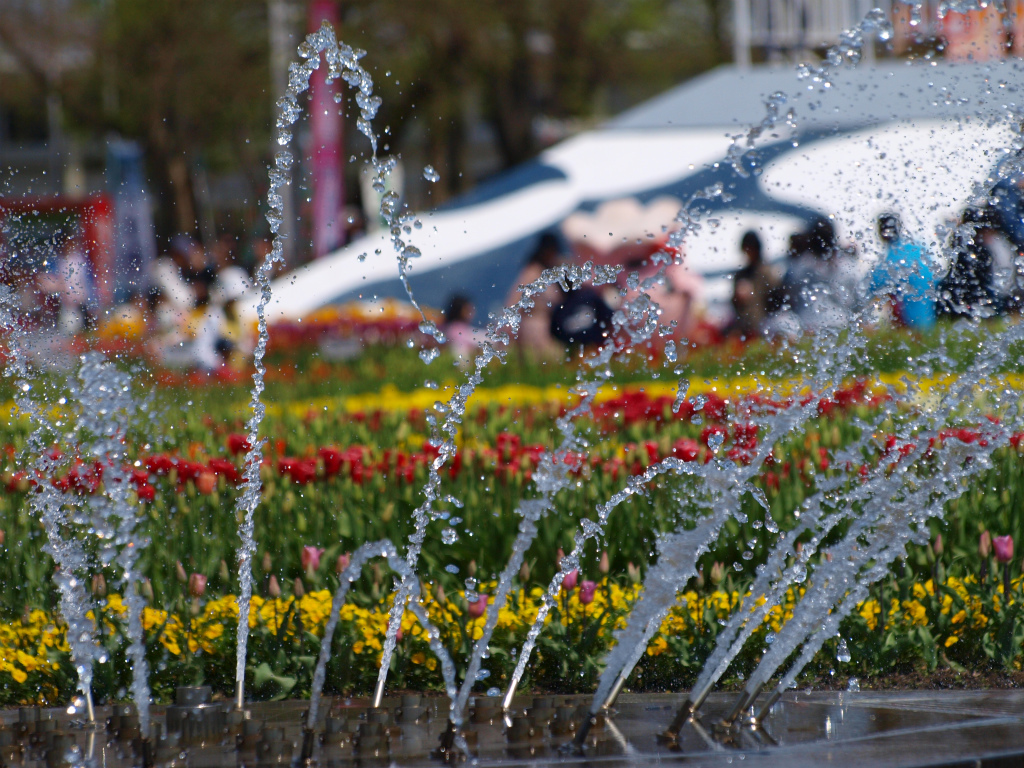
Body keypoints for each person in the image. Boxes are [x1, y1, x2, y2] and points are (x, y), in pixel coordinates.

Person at [868, 213, 936, 330]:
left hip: (912, 321)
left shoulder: (892, 258)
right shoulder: (918, 247)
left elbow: (871, 285)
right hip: (932, 315)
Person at [505, 233, 565, 360]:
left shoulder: (547, 273)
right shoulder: (532, 272)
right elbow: (515, 301)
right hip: (533, 329)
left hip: (547, 328)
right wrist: (508, 331)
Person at [937, 208, 1003, 319]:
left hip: (951, 299)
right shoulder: (982, 251)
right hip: (974, 303)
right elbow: (986, 283)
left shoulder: (957, 242)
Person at [730, 230, 779, 338]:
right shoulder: (741, 275)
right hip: (745, 327)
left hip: (764, 326)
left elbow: (776, 299)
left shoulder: (767, 272)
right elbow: (733, 305)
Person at [443, 294, 484, 363]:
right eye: (468, 309)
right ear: (459, 310)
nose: (472, 312)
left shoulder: (451, 327)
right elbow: (475, 338)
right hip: (461, 364)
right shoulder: (455, 328)